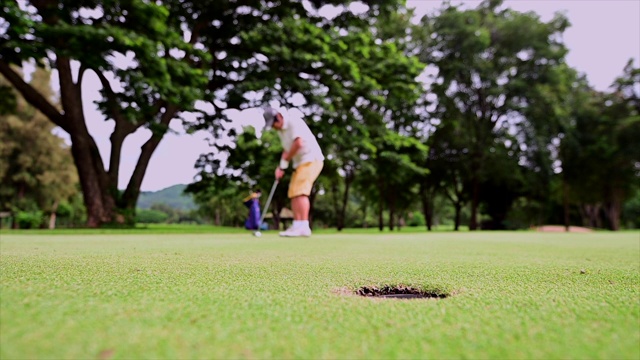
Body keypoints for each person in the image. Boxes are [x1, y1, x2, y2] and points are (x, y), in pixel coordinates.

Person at [263, 107, 324, 237]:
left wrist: (286, 161)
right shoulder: (281, 132)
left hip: (311, 159)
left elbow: (298, 144)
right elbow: (286, 151)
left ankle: (304, 227)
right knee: (293, 192)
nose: (274, 127)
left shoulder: (293, 121)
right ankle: (297, 225)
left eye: (273, 123)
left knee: (300, 192)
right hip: (300, 163)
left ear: (278, 117)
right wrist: (281, 167)